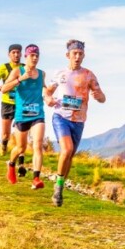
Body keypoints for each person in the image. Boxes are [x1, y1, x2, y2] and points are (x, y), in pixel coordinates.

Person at [44, 39, 105, 207]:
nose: (77, 57)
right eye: (74, 54)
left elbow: (102, 97)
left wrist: (99, 97)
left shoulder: (89, 75)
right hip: (60, 117)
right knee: (67, 149)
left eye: (80, 54)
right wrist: (48, 98)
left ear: (84, 55)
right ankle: (57, 186)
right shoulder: (60, 74)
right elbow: (47, 92)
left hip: (79, 121)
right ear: (67, 55)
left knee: (69, 155)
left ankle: (60, 186)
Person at [1, 44, 47, 190]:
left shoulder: (42, 74)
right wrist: (20, 79)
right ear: (26, 57)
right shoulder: (17, 71)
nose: (35, 58)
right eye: (32, 55)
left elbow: (44, 89)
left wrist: (49, 95)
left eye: (37, 55)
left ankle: (36, 178)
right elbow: (4, 89)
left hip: (38, 114)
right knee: (21, 148)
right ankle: (11, 163)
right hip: (22, 115)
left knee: (37, 145)